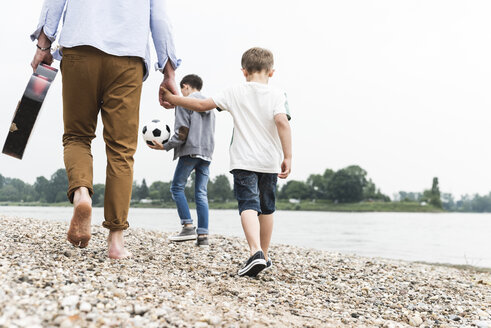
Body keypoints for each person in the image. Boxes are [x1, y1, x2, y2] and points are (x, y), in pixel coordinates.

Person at [30, 0, 180, 259]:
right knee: (121, 149)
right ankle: (116, 242)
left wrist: (44, 45)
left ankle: (81, 194)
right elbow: (160, 19)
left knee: (77, 136)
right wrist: (168, 72)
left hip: (80, 47)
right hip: (128, 58)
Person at [160, 47, 292, 277]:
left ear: (244, 71)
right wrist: (288, 156)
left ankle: (255, 252)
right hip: (270, 161)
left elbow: (201, 105)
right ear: (271, 72)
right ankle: (265, 256)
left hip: (243, 160)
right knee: (267, 209)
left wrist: (173, 98)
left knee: (249, 205)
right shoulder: (278, 95)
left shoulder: (234, 91)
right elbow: (282, 122)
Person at [148, 74, 215, 247]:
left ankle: (187, 226)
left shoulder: (185, 102)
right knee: (201, 193)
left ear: (185, 86)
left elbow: (182, 132)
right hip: (207, 153)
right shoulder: (210, 104)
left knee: (176, 188)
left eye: (182, 90)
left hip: (190, 151)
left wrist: (165, 146)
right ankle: (203, 237)